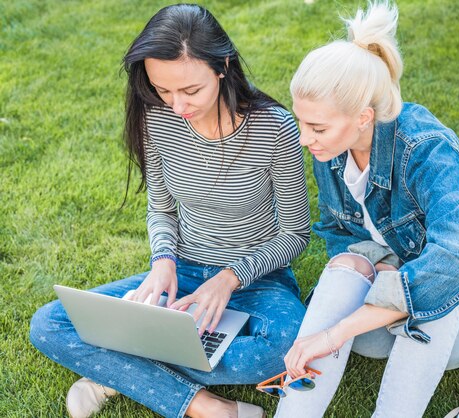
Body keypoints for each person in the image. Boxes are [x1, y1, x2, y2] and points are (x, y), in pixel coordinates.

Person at [30, 4, 310, 418]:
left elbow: (295, 235)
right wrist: (163, 262)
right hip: (183, 270)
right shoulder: (156, 118)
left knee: (285, 345)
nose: (176, 105)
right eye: (163, 90)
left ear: (223, 66)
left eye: (190, 90)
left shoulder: (275, 129)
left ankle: (119, 370)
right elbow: (161, 207)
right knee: (49, 324)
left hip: (258, 279)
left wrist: (229, 279)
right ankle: (203, 404)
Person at [272, 2, 459, 417]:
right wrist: (381, 266)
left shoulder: (429, 150)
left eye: (317, 128)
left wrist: (336, 333)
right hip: (379, 324)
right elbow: (339, 233)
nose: (305, 140)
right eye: (302, 123)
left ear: (364, 117)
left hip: (449, 325)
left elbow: (452, 265)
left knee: (439, 289)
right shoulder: (332, 151)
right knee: (344, 267)